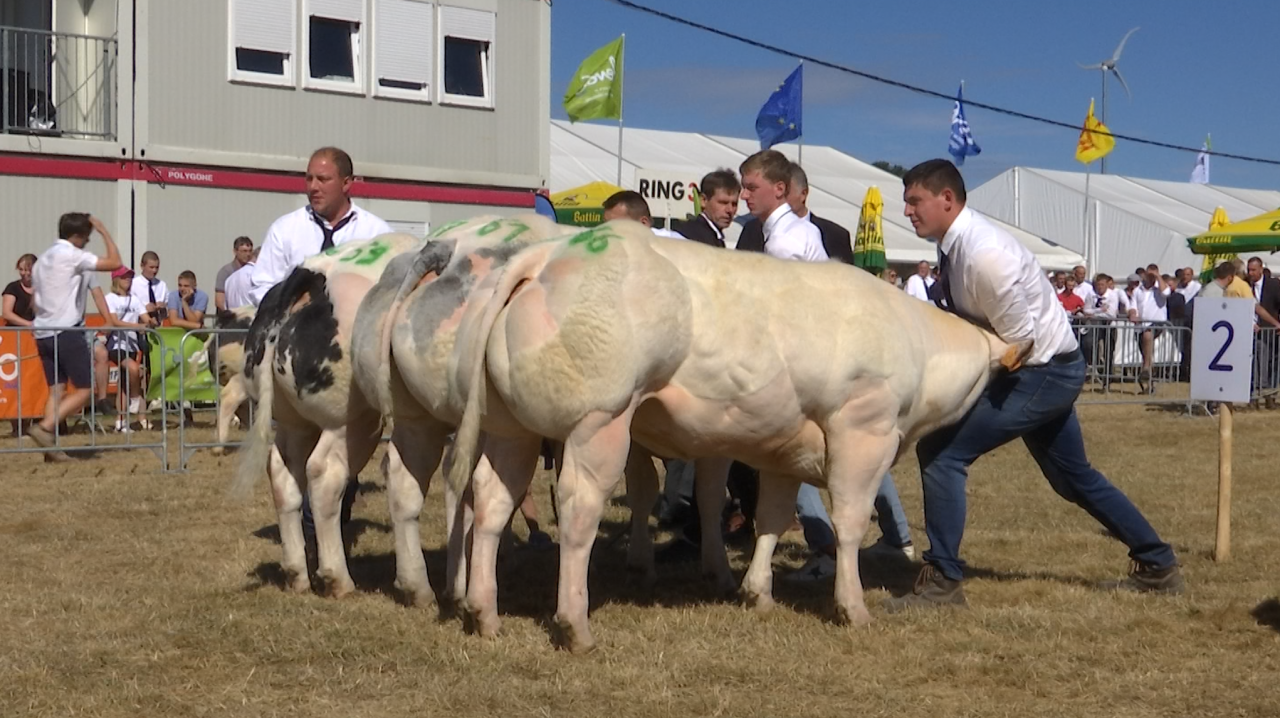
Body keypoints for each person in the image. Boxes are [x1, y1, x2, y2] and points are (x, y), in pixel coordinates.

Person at [885, 159, 1183, 612]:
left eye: (914, 201)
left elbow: (1018, 343)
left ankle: (943, 581)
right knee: (1074, 478)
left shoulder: (984, 254)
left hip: (1041, 372)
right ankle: (1158, 564)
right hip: (1045, 369)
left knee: (942, 454)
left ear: (947, 199)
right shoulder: (956, 243)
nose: (907, 211)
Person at [27, 213, 122, 460]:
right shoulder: (72, 255)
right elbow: (115, 262)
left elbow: (34, 301)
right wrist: (103, 230)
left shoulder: (42, 260)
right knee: (85, 388)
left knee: (56, 390)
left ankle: (51, 450)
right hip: (66, 330)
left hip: (43, 332)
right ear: (79, 237)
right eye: (87, 238)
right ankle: (45, 428)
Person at [248, 147, 393, 306]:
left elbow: (392, 292)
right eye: (309, 179)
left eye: (323, 179)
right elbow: (262, 287)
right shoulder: (285, 230)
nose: (313, 187)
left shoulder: (377, 234)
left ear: (346, 183)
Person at [103, 266, 151, 432]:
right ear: (116, 279)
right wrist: (137, 325)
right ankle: (135, 398)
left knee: (123, 384)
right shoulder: (109, 298)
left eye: (130, 277)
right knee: (133, 368)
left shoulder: (135, 299)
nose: (128, 281)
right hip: (116, 343)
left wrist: (150, 322)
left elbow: (145, 317)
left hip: (132, 343)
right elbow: (114, 321)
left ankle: (121, 421)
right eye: (124, 278)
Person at [671, 169, 740, 248]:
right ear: (703, 200)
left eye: (734, 204)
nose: (730, 210)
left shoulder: (713, 237)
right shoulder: (692, 237)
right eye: (723, 203)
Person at [601, 190, 684, 238]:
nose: (608, 231)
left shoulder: (674, 243)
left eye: (617, 225)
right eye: (606, 224)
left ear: (644, 223)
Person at [214, 236, 254, 312]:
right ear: (235, 251)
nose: (248, 254)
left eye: (250, 251)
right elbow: (219, 301)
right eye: (244, 251)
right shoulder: (226, 272)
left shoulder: (254, 272)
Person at [3, 253, 38, 326]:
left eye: (27, 270)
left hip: (38, 332)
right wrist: (29, 324)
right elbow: (6, 313)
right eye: (21, 269)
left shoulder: (42, 288)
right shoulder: (12, 288)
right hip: (15, 332)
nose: (24, 273)